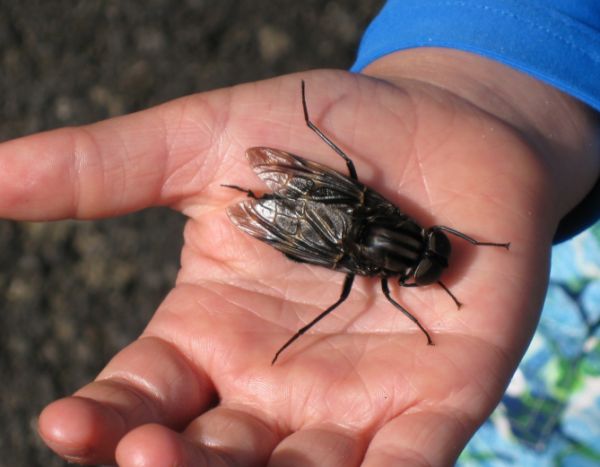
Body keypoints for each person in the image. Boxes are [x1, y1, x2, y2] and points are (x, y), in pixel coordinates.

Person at [0, 1, 597, 466]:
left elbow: (367, 213)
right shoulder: (401, 267)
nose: (432, 254)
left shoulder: (398, 225)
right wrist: (494, 104)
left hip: (354, 232)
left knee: (348, 197)